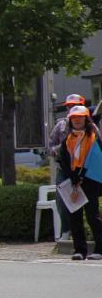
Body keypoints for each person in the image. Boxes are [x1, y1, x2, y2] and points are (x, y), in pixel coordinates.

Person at [57, 105, 102, 261]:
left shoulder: (94, 138)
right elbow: (62, 160)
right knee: (74, 216)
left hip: (91, 181)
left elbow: (96, 160)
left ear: (86, 119)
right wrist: (73, 176)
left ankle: (100, 249)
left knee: (92, 215)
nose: (77, 120)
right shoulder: (68, 140)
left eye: (80, 117)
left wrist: (82, 174)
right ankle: (80, 250)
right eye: (74, 118)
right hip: (73, 181)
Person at [49, 94, 87, 240]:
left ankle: (86, 234)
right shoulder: (61, 125)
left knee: (88, 203)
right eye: (69, 106)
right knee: (62, 201)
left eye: (75, 106)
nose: (72, 109)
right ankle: (66, 231)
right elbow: (50, 148)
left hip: (84, 170)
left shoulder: (90, 127)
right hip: (64, 170)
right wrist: (64, 147)